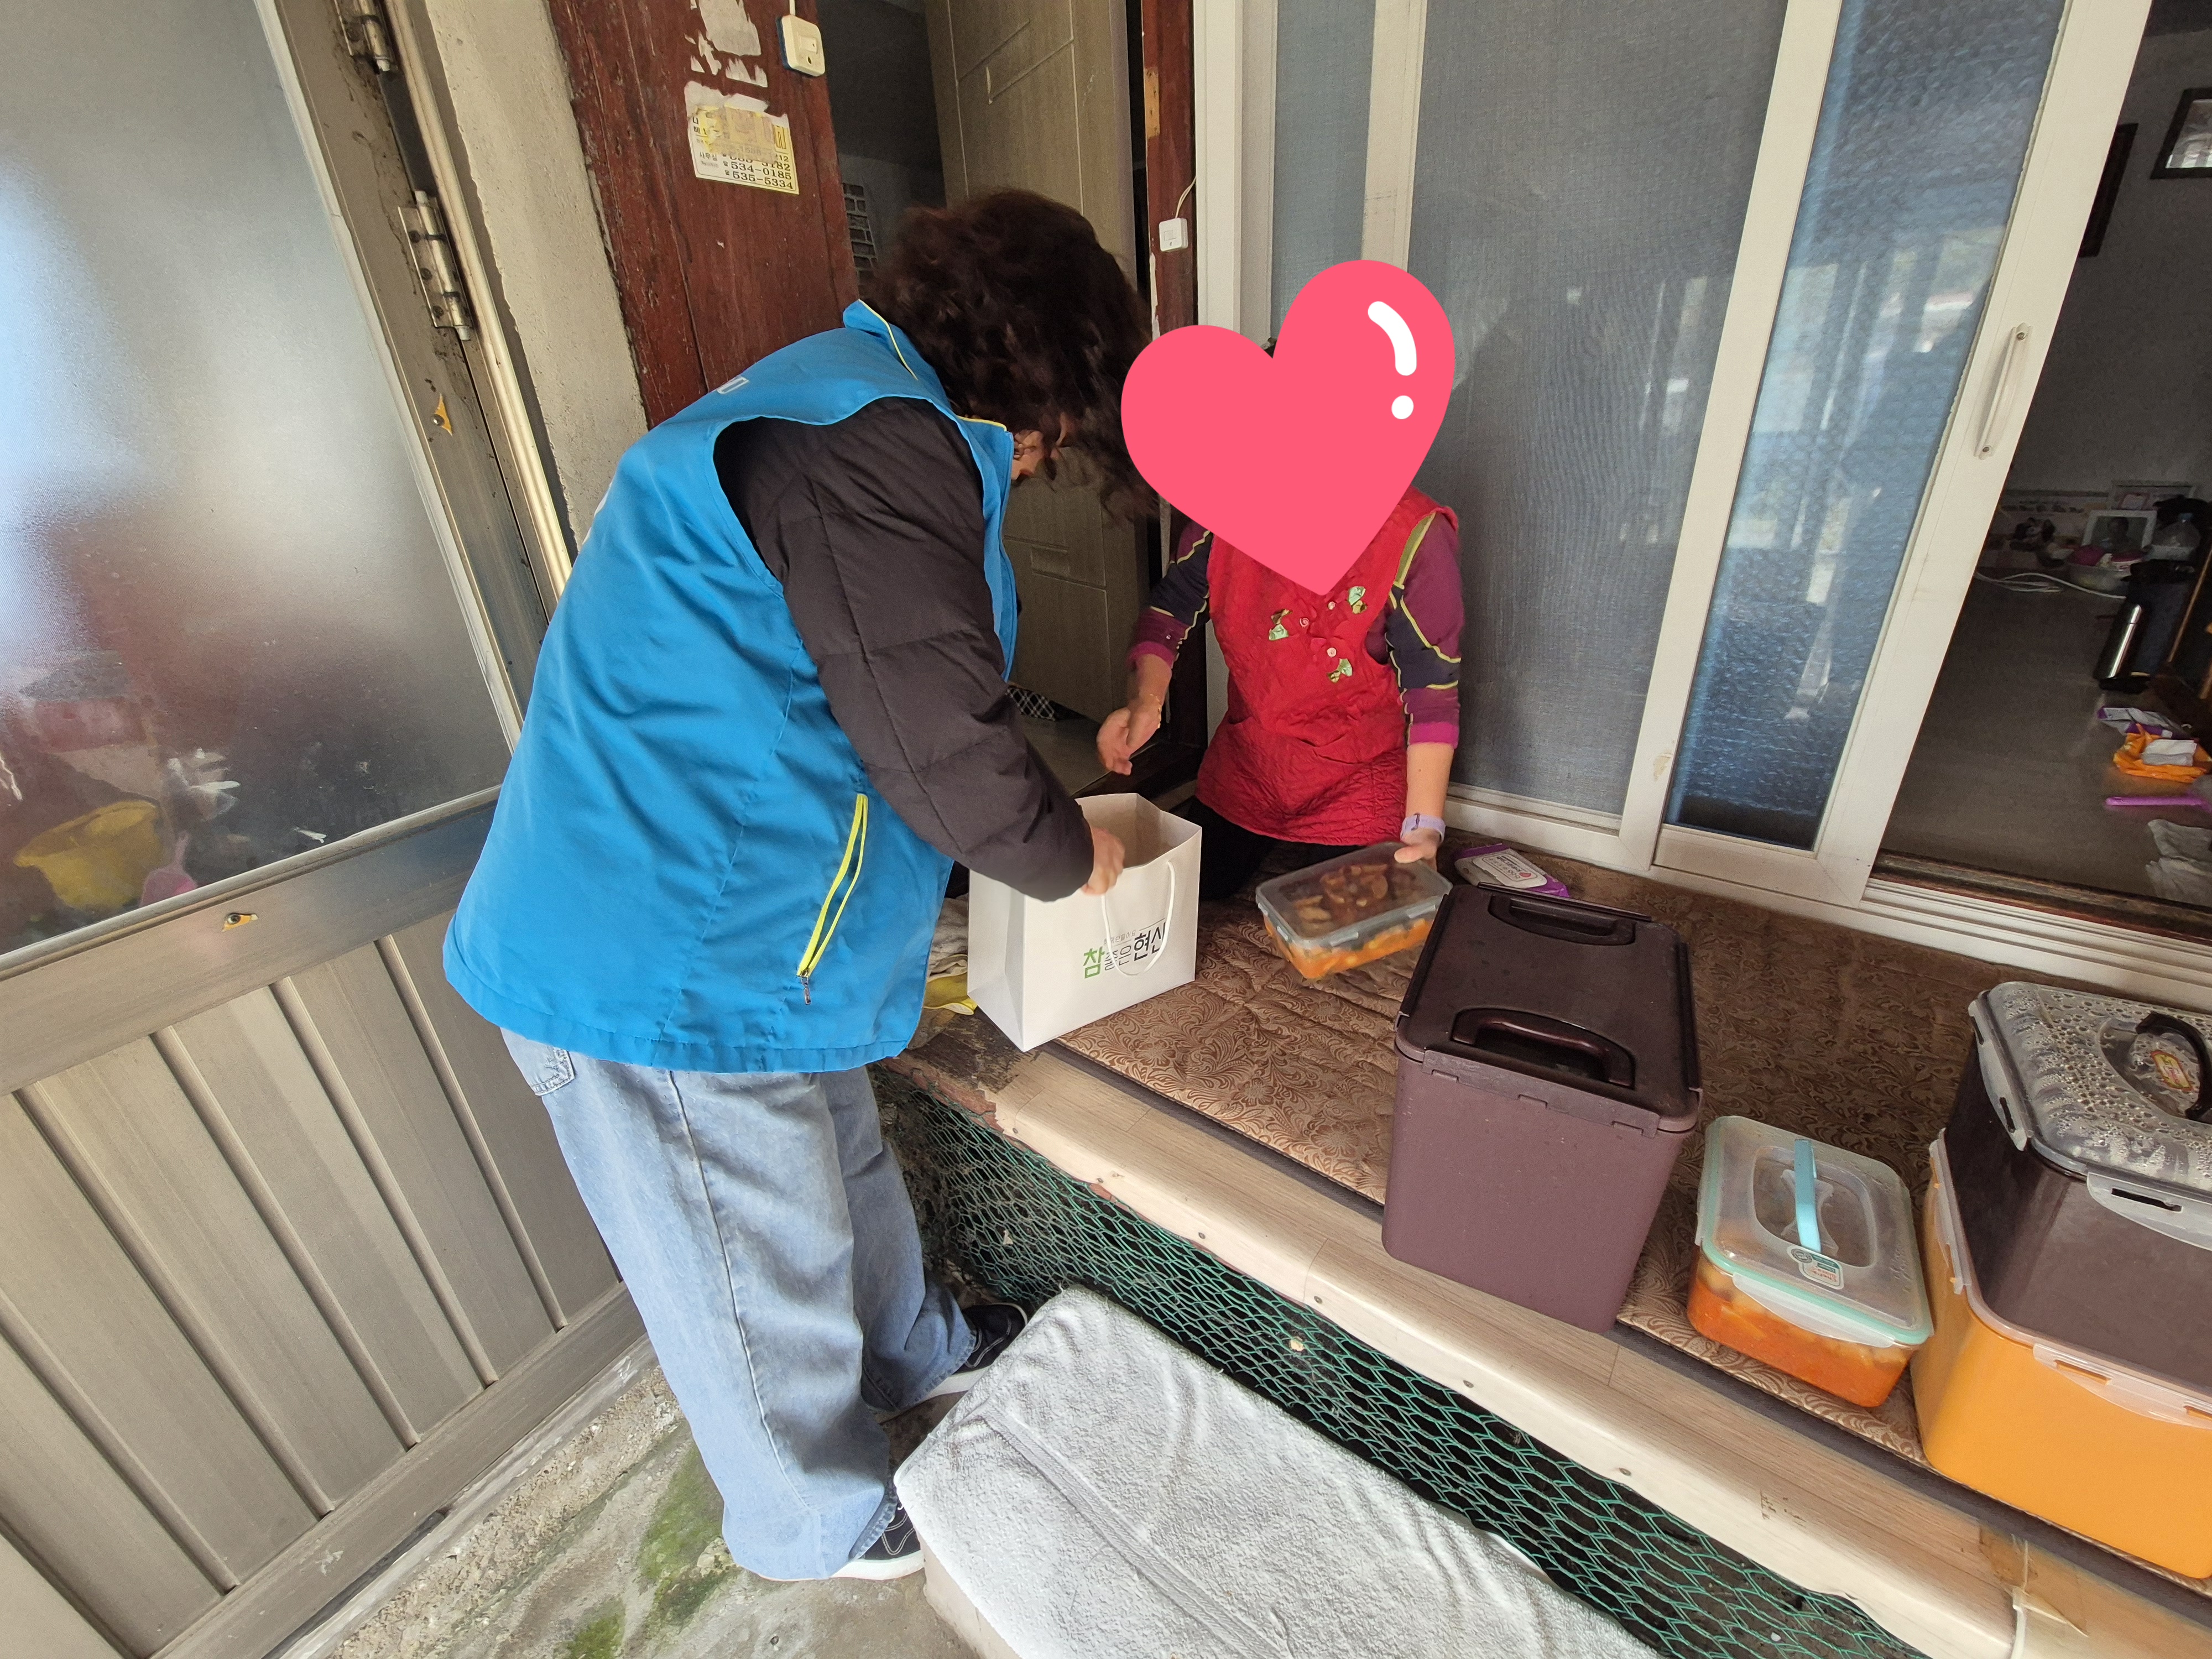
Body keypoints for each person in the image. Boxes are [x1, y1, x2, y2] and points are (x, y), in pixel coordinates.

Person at [444, 192, 1148, 1582]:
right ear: (1045, 374)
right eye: (1060, 434)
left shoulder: (857, 402)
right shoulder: (874, 442)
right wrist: (1074, 854)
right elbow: (940, 745)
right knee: (742, 1254)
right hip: (654, 954)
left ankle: (917, 1352)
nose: (1047, 459)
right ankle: (816, 1516)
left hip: (742, 930)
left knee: (835, 1160)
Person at [1098, 488, 1464, 898]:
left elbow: (1432, 694)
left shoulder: (1415, 534)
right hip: (1252, 759)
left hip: (1362, 772)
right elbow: (1169, 610)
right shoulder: (1221, 513)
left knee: (1354, 909)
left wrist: (1424, 828)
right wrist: (1145, 701)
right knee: (1187, 887)